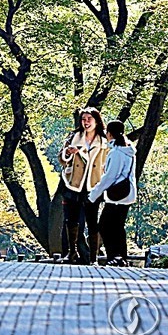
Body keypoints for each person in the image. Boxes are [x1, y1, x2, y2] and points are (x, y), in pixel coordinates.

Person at [58, 107, 110, 264]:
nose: (86, 122)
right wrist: (68, 153)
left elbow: (107, 162)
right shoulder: (74, 137)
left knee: (92, 220)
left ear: (96, 121)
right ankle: (71, 253)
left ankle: (93, 257)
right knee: (71, 219)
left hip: (94, 184)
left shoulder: (104, 141)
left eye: (89, 119)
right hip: (74, 183)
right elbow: (62, 158)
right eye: (83, 119)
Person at [88, 120, 137, 267]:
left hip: (116, 196)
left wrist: (93, 194)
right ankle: (121, 257)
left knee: (104, 225)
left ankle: (114, 256)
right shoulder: (128, 151)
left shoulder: (116, 152)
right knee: (118, 226)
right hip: (127, 194)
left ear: (109, 134)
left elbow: (110, 177)